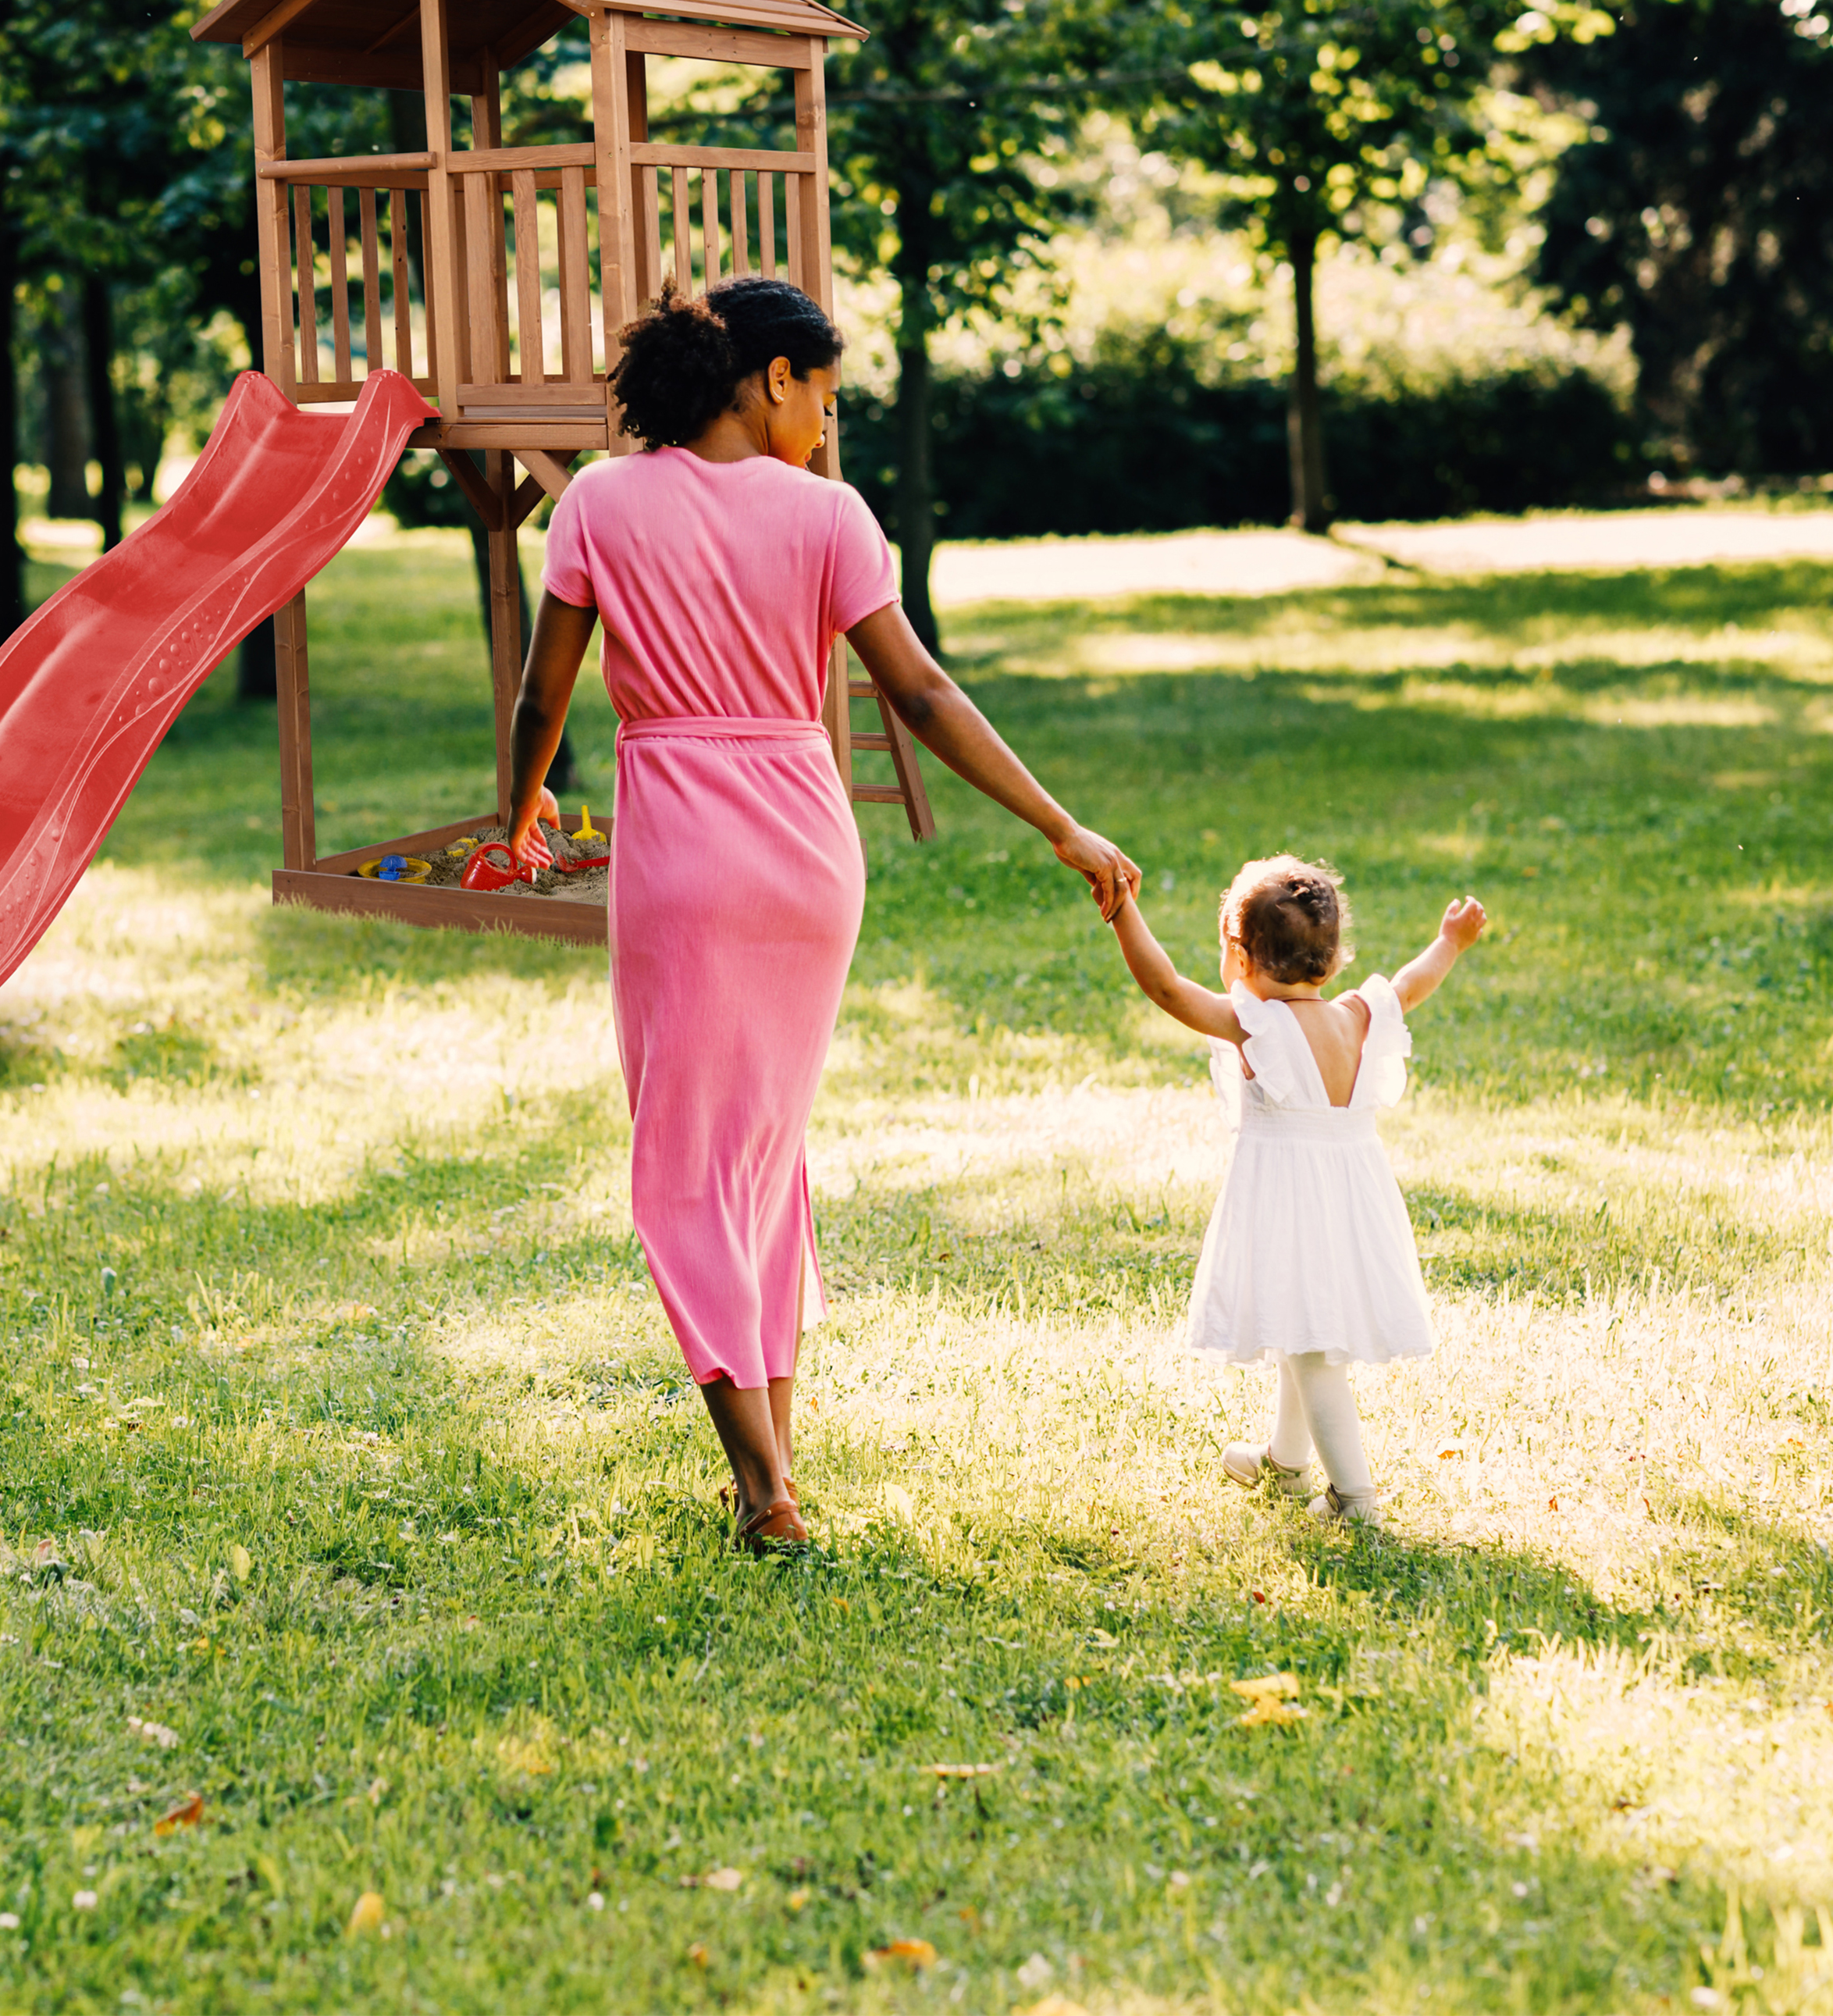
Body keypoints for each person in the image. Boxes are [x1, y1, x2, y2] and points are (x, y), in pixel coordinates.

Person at [503, 278, 1139, 1551]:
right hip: (806, 855)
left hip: (682, 854)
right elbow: (921, 695)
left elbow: (543, 697)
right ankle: (773, 1465)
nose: (828, 428)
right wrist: (1058, 822)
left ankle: (761, 1487)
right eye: (826, 398)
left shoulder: (598, 502)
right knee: (760, 1157)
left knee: (687, 1166)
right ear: (770, 378)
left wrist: (515, 812)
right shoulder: (831, 518)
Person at [1105, 853, 1488, 1523]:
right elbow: (1412, 982)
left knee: (1313, 1352)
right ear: (1333, 960)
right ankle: (1285, 1463)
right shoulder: (1360, 1015)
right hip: (1351, 1203)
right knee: (1298, 1325)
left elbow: (1165, 987)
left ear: (1241, 958)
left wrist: (1122, 909)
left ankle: (1355, 1499)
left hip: (1291, 1205)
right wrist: (1449, 942)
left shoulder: (1256, 1026)